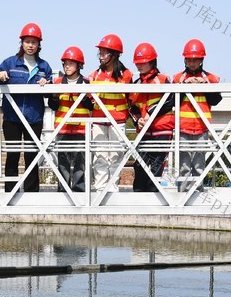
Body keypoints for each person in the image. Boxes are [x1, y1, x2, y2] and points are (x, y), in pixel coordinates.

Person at [0, 23, 54, 193]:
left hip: (34, 118)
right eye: (27, 42)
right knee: (13, 155)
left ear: (39, 45)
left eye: (34, 42)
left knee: (31, 156)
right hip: (12, 118)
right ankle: (10, 193)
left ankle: (32, 193)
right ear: (22, 43)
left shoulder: (44, 67)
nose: (30, 45)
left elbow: (51, 93)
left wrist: (47, 84)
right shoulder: (10, 63)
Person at [173, 38, 222, 191]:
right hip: (183, 127)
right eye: (189, 59)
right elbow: (172, 101)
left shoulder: (210, 78)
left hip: (202, 128)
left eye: (195, 60)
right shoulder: (178, 78)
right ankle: (182, 194)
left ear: (201, 60)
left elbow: (216, 100)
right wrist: (184, 87)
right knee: (184, 166)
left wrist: (205, 86)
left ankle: (198, 194)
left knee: (199, 165)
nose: (192, 63)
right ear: (185, 60)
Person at [87, 34, 132, 192]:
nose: (101, 55)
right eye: (100, 52)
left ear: (114, 54)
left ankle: (112, 190)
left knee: (116, 156)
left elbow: (132, 99)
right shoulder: (94, 75)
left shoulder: (126, 75)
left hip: (117, 121)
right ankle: (100, 190)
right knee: (99, 156)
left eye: (104, 52)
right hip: (99, 122)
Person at [129, 42, 175, 193]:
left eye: (143, 62)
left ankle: (154, 198)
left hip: (162, 130)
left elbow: (170, 100)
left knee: (156, 166)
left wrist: (150, 112)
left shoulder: (163, 80)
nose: (139, 66)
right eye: (137, 63)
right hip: (144, 132)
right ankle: (138, 196)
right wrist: (138, 119)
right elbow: (131, 107)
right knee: (139, 165)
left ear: (152, 62)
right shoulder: (136, 84)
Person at [46, 46, 92, 192]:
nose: (67, 66)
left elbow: (91, 106)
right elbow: (53, 106)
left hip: (81, 129)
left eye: (71, 63)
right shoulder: (58, 82)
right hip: (62, 128)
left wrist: (83, 96)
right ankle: (63, 190)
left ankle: (79, 191)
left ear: (79, 65)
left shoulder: (86, 83)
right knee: (63, 162)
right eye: (65, 63)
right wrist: (54, 97)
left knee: (80, 162)